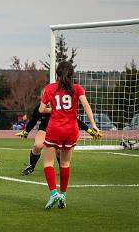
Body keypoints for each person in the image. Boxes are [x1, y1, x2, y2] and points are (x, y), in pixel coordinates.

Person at [39, 61, 100, 210]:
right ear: (72, 74)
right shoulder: (77, 88)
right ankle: (63, 196)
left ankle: (54, 193)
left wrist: (53, 109)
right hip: (71, 130)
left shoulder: (50, 88)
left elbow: (41, 110)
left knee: (48, 163)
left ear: (57, 74)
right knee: (65, 164)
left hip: (54, 129)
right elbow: (86, 106)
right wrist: (93, 125)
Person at [15, 103, 102, 175]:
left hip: (58, 130)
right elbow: (33, 120)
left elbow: (75, 120)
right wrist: (26, 132)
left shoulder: (61, 107)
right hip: (44, 129)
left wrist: (89, 130)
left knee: (59, 151)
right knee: (38, 146)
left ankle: (62, 168)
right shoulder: (40, 107)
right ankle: (31, 166)